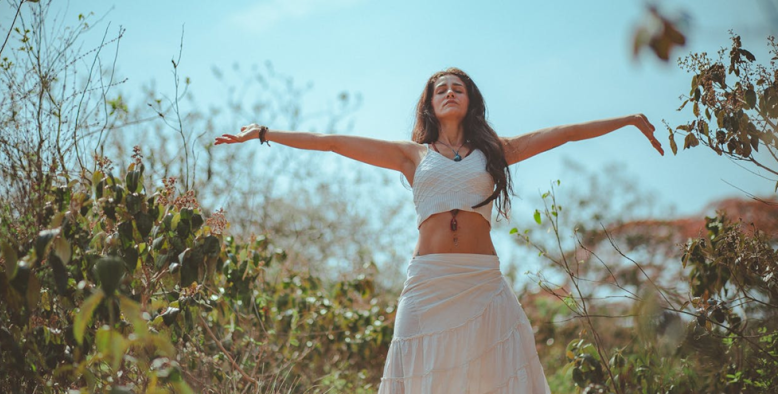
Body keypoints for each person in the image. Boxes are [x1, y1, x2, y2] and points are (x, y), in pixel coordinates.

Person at [214, 67, 664, 393]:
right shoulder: (411, 155)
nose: (449, 93)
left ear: (471, 100)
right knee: (417, 373)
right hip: (428, 282)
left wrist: (624, 120)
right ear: (429, 103)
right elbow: (332, 143)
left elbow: (563, 132)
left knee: (497, 375)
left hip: (481, 281)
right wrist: (264, 133)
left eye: (458, 88)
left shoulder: (496, 151)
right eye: (441, 90)